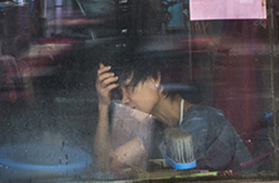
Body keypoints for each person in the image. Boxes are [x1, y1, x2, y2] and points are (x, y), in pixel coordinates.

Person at [94, 57, 251, 174]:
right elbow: (104, 167)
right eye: (121, 94)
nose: (124, 101)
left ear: (155, 78)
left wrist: (138, 148)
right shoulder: (157, 127)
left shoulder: (203, 122)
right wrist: (103, 105)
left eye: (129, 89)